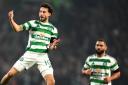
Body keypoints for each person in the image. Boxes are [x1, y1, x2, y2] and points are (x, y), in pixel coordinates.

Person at [0, 3, 60, 85]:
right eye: (40, 11)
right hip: (30, 54)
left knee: (51, 81)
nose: (41, 14)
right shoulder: (33, 23)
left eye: (44, 12)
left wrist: (53, 46)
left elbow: (51, 46)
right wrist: (11, 19)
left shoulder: (53, 29)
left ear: (49, 14)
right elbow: (17, 29)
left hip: (43, 56)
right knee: (10, 74)